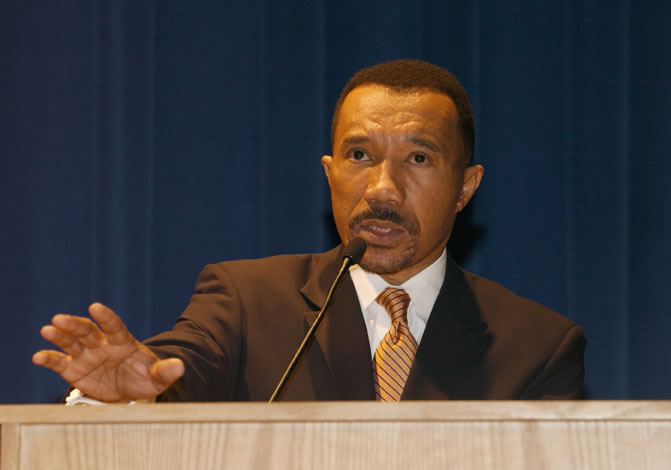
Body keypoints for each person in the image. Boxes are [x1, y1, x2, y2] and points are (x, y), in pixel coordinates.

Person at [33, 59, 586, 403]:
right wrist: (128, 397)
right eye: (360, 155)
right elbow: (175, 372)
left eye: (418, 158)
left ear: (466, 187)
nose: (382, 189)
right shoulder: (246, 302)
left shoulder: (537, 346)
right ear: (329, 173)